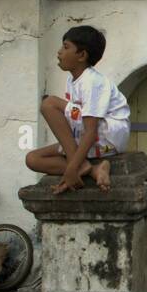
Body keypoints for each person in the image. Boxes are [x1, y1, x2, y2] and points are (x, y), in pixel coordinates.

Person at [26, 25, 130, 195]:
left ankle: (79, 166)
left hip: (107, 138)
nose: (59, 52)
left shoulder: (92, 81)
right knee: (32, 159)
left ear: (81, 55)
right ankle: (92, 169)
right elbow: (76, 119)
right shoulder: (72, 81)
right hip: (89, 138)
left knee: (49, 104)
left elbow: (91, 130)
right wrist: (73, 168)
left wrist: (71, 168)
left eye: (66, 47)